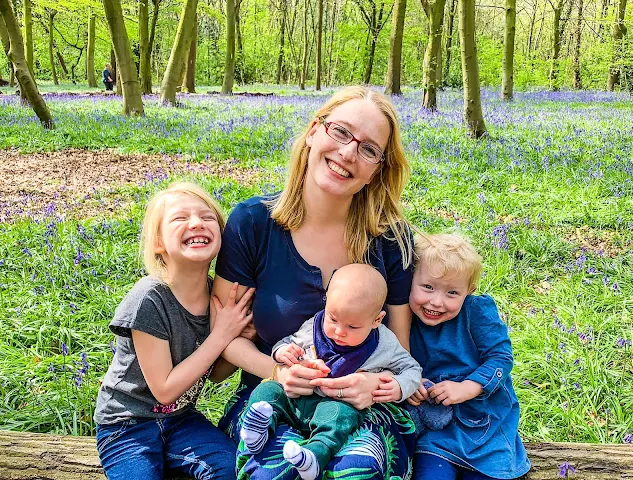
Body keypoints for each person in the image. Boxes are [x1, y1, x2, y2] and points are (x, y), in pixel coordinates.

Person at [213, 86, 416, 479]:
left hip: (363, 408)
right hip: (273, 398)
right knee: (273, 468)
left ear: (377, 169)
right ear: (313, 132)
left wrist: (373, 386)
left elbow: (401, 351)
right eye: (340, 132)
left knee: (357, 468)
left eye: (369, 149)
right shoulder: (253, 223)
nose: (348, 154)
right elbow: (223, 334)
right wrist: (276, 371)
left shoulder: (392, 241)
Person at [93, 182, 255, 479]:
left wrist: (240, 336)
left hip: (180, 420)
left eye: (207, 218)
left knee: (232, 470)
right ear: (158, 243)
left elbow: (215, 373)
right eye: (180, 218)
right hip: (127, 425)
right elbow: (165, 390)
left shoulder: (215, 298)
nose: (196, 223)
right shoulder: (148, 298)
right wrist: (221, 336)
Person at [238, 264, 422, 479]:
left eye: (352, 327)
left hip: (335, 405)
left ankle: (314, 456)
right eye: (333, 319)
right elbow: (289, 342)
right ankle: (258, 432)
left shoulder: (384, 343)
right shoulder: (314, 325)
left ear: (377, 320)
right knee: (268, 390)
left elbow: (411, 369)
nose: (339, 331)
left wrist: (399, 386)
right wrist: (282, 353)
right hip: (297, 398)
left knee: (341, 417)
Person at [408, 233, 531, 480]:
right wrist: (411, 381)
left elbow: (501, 357)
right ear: (410, 280)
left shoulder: (476, 311)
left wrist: (468, 387)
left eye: (452, 293)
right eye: (428, 287)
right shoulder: (402, 317)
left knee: (488, 472)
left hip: (485, 423)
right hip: (436, 429)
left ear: (469, 291)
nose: (437, 302)